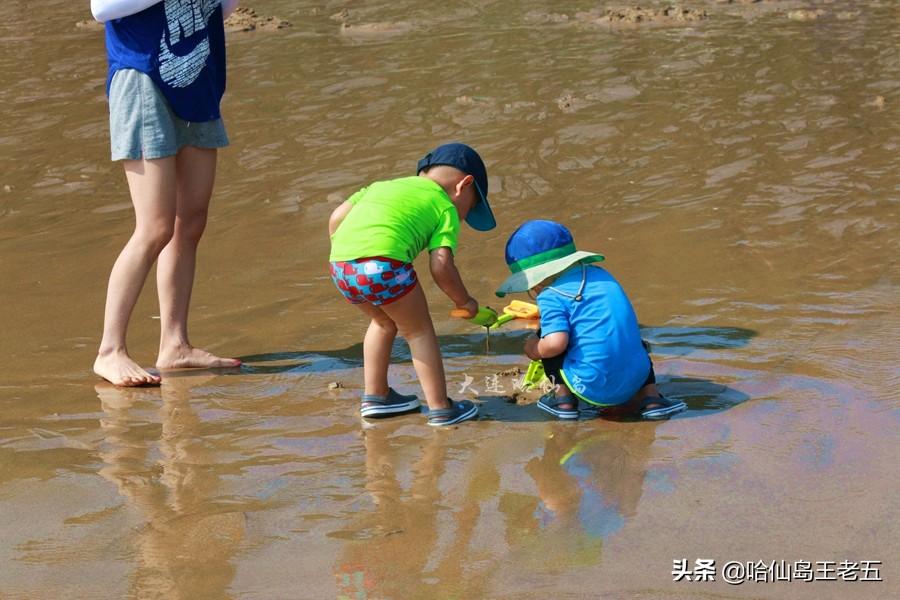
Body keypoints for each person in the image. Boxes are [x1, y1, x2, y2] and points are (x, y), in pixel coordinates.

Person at [90, 0, 242, 386]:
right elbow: (101, 8)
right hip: (143, 79)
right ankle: (109, 351)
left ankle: (175, 345)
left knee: (189, 222)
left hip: (197, 82)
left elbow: (219, 10)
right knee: (155, 226)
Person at [328, 142, 495, 426]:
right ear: (463, 185)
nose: (465, 216)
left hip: (342, 266)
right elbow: (441, 265)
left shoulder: (380, 186)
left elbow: (336, 218)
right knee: (418, 330)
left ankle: (376, 397)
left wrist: (349, 252)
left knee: (383, 323)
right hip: (384, 266)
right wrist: (463, 302)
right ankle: (441, 408)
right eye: (471, 206)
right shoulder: (445, 207)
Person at [495, 220, 687, 420]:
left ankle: (563, 401)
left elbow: (555, 344)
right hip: (635, 377)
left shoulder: (550, 294)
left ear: (537, 278)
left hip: (592, 385)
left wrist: (533, 348)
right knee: (628, 340)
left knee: (548, 344)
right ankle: (652, 399)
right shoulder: (602, 275)